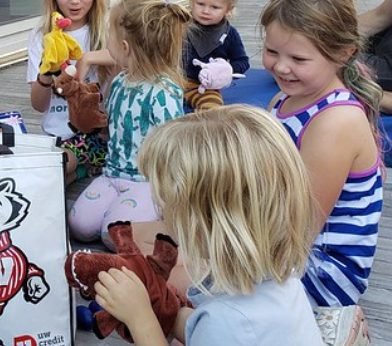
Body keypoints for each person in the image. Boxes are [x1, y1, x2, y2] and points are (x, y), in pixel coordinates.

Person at [93, 106, 323, 346]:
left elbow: (222, 328)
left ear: (204, 223)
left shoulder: (224, 322)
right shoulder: (283, 278)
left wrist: (140, 318)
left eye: (167, 207)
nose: (162, 215)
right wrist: (163, 307)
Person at [260, 0, 384, 309]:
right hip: (280, 237)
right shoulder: (282, 102)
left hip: (324, 272)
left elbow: (301, 229)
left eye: (299, 59)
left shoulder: (335, 122)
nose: (281, 67)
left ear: (343, 53)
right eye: (272, 51)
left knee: (188, 283)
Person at [67, 0, 188, 249]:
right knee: (79, 224)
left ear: (124, 48)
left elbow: (175, 146)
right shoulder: (120, 81)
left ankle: (165, 221)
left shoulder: (163, 92)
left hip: (147, 181)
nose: (105, 40)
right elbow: (111, 124)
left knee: (113, 237)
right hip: (112, 173)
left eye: (109, 34)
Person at [27, 0, 110, 184]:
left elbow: (133, 59)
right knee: (50, 175)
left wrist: (89, 58)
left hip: (98, 134)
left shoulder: (106, 30)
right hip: (54, 135)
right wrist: (45, 73)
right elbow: (38, 106)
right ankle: (85, 168)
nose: (75, 1)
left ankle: (85, 164)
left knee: (52, 173)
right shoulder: (41, 35)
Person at [182, 0, 249, 111]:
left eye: (215, 7)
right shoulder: (180, 26)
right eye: (200, 4)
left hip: (203, 87)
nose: (206, 11)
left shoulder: (230, 34)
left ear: (228, 9)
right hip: (172, 81)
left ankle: (199, 129)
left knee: (213, 107)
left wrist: (226, 70)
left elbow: (242, 61)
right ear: (192, 1)